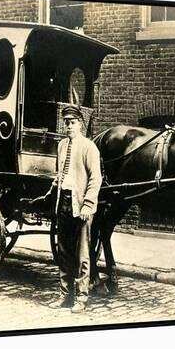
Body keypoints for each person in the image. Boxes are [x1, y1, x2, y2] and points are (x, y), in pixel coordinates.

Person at [46, 105, 102, 313]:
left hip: (81, 206)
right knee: (64, 252)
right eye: (66, 122)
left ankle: (81, 297)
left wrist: (88, 205)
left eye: (73, 122)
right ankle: (64, 295)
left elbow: (96, 179)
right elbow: (61, 172)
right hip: (64, 203)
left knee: (82, 254)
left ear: (80, 124)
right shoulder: (61, 146)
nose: (69, 126)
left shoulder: (89, 148)